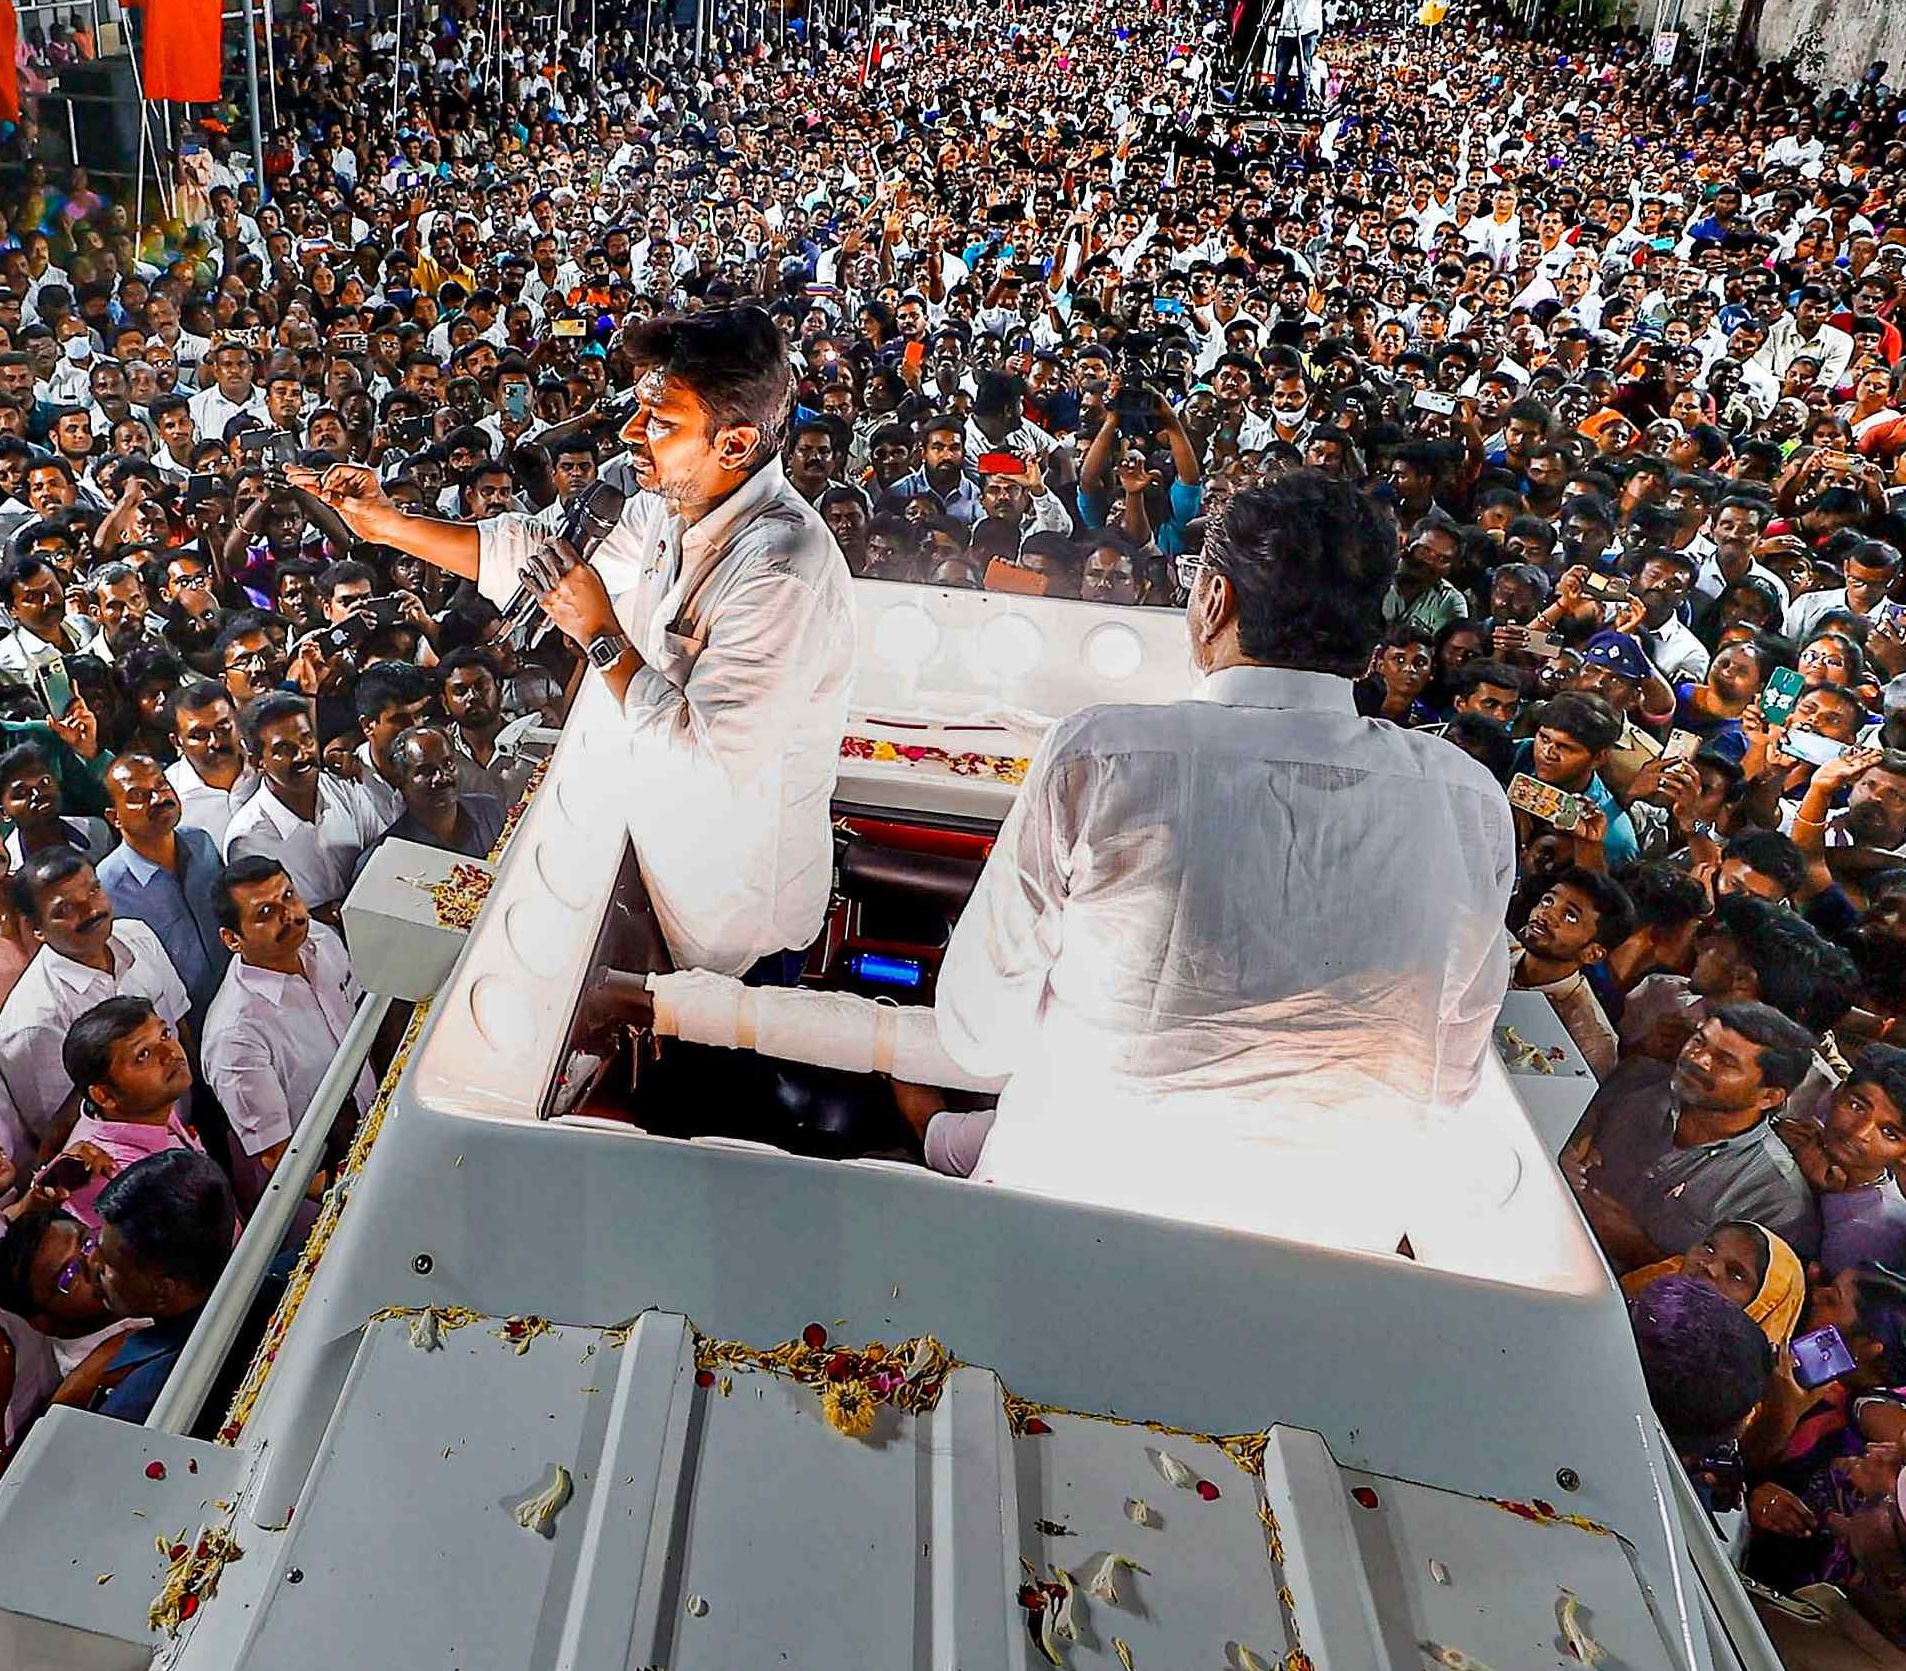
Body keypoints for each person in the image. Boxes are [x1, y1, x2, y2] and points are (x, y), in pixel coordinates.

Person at [625, 470, 1518, 1252]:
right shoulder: (1470, 798)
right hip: (1330, 1238)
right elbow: (1447, 1077)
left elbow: (980, 1034)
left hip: (1069, 1213)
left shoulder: (1107, 755)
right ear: (1372, 634)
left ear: (1211, 602)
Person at [298, 301, 855, 974]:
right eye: (637, 407)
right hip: (651, 858)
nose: (629, 431)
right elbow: (537, 546)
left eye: (660, 421)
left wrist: (600, 634)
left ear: (733, 444)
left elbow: (709, 768)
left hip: (727, 911)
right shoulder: (669, 507)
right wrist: (387, 526)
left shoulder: (778, 573)